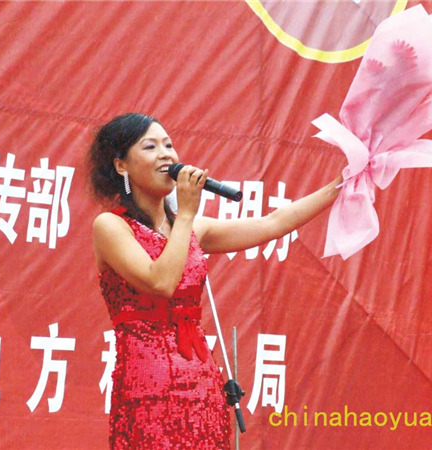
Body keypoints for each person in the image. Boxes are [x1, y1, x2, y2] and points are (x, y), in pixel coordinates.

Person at [88, 113, 342, 449]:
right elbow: (160, 282)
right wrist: (186, 214)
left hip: (201, 383)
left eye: (169, 145)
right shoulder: (111, 226)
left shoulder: (191, 228)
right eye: (150, 147)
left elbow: (273, 223)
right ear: (121, 165)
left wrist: (342, 183)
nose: (166, 155)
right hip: (147, 388)